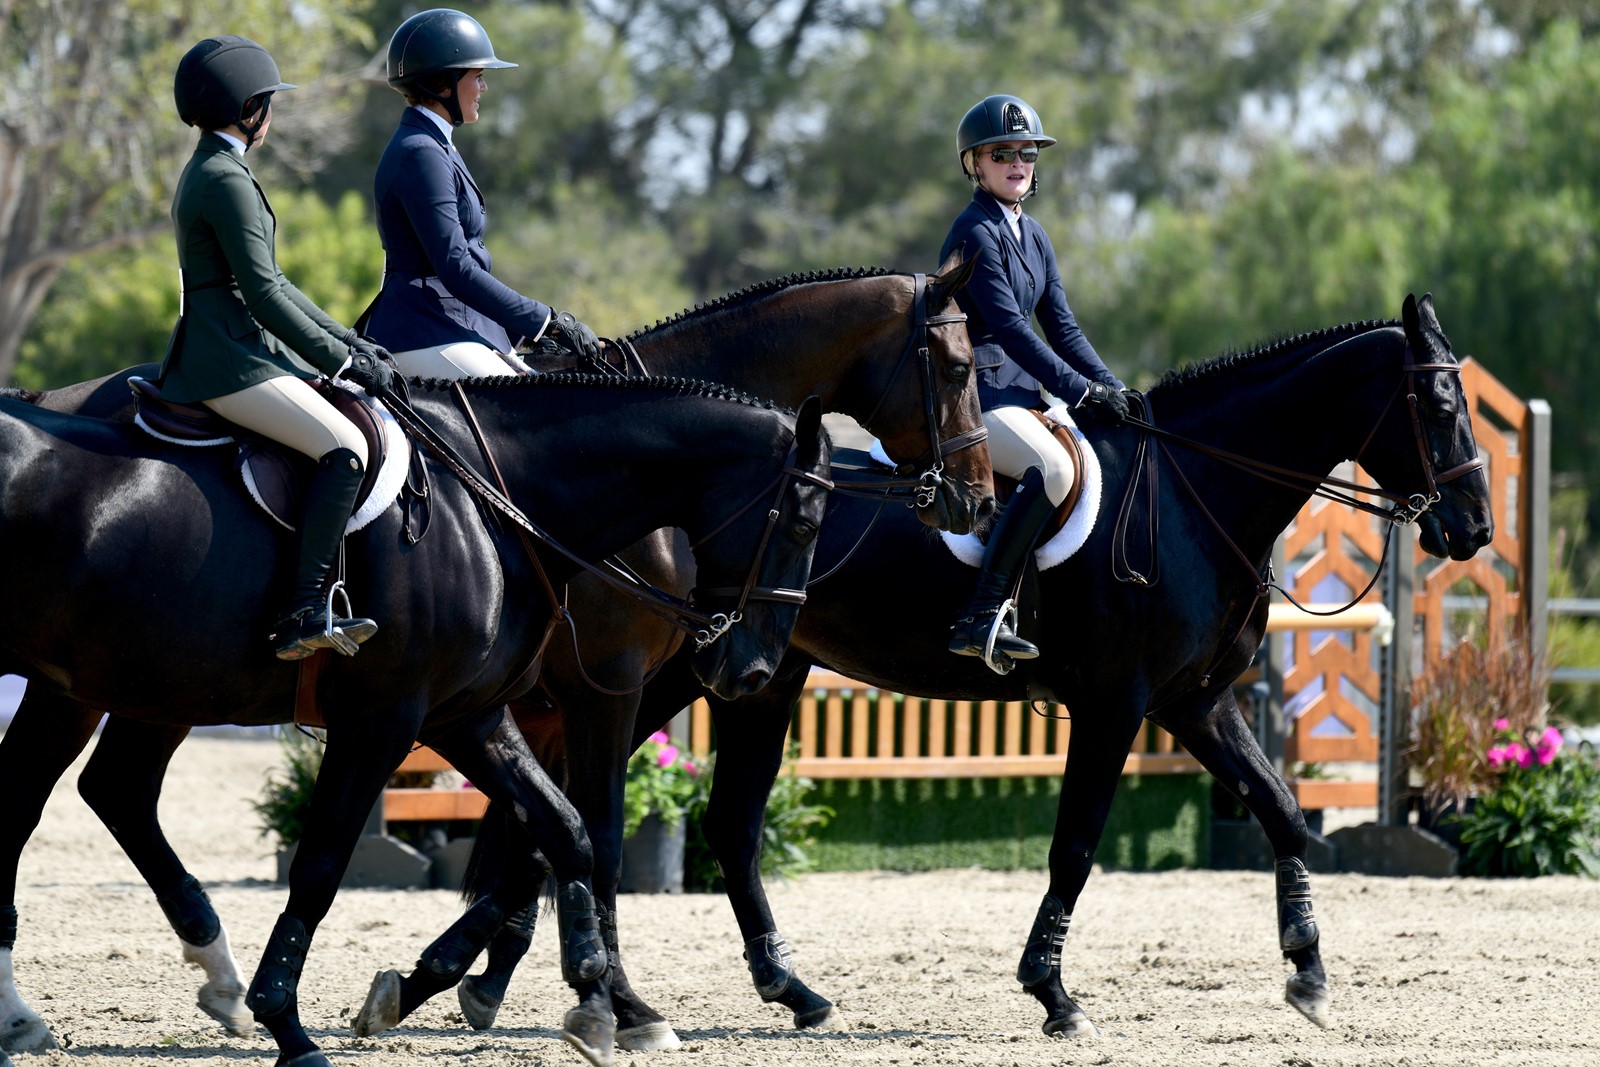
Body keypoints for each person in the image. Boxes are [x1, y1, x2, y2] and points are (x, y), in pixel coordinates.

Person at [163, 35, 394, 661]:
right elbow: (263, 295)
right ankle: (303, 608)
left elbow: (276, 285)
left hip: (235, 347)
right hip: (228, 359)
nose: (272, 113)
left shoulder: (214, 168)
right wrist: (342, 363)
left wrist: (349, 342)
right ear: (248, 108)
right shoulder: (225, 178)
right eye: (269, 102)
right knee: (344, 447)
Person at [939, 94, 1130, 672]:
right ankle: (983, 613)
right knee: (1051, 469)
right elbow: (1012, 331)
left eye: (1027, 152)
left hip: (1024, 399)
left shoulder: (1034, 235)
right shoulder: (974, 231)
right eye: (1002, 153)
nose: (1018, 162)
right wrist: (1078, 391)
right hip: (977, 398)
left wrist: (1112, 387)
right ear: (975, 163)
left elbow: (1063, 329)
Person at [364, 8, 602, 379]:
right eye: (477, 76)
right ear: (443, 84)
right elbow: (456, 266)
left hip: (451, 323)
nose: (484, 88)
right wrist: (547, 322)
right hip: (424, 327)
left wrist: (526, 331)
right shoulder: (421, 153)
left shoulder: (434, 145)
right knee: (532, 413)